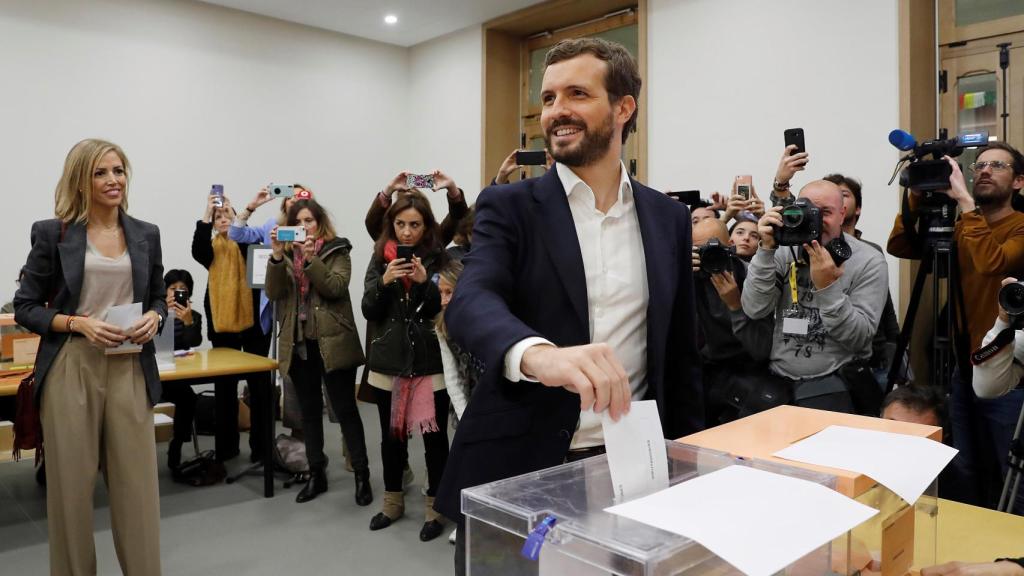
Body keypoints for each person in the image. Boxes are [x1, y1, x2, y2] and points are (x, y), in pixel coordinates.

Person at [435, 38, 703, 574]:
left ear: (623, 108)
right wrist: (537, 354)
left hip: (631, 463)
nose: (556, 111)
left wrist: (689, 459)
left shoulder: (668, 217)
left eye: (577, 94)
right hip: (520, 463)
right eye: (549, 97)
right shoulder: (510, 207)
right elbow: (471, 299)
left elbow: (679, 350)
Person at [14, 138, 164, 575]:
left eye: (118, 170)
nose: (113, 180)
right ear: (81, 180)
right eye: (101, 173)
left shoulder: (145, 234)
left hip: (130, 363)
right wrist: (78, 323)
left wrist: (155, 317)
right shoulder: (53, 232)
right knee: (71, 493)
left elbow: (156, 295)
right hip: (72, 366)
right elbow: (25, 306)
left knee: (138, 489)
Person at [888, 142, 1024, 508]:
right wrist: (916, 198)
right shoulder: (962, 223)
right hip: (963, 366)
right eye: (979, 164)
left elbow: (991, 262)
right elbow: (901, 246)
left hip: (1008, 369)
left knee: (1009, 467)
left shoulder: (1020, 226)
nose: (983, 170)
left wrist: (965, 203)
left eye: (997, 165)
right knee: (962, 465)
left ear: (1018, 182)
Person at [743, 179, 889, 413]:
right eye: (809, 212)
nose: (817, 221)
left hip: (835, 380)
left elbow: (860, 337)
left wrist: (828, 287)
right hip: (779, 377)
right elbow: (754, 308)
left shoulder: (868, 261)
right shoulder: (781, 251)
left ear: (843, 214)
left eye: (826, 213)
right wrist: (765, 250)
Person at [265, 198, 372, 505]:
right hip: (299, 345)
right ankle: (316, 475)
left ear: (319, 223)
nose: (304, 227)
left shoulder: (338, 250)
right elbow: (274, 293)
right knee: (310, 414)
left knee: (345, 410)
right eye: (297, 223)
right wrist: (274, 257)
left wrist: (312, 260)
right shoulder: (284, 256)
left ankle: (362, 475)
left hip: (333, 343)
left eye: (309, 221)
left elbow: (336, 287)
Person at [362, 192, 450, 541]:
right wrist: (385, 282)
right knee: (391, 437)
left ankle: (435, 507)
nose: (407, 232)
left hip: (429, 361)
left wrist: (426, 282)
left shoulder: (439, 258)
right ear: (392, 225)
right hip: (389, 362)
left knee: (435, 439)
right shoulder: (378, 257)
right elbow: (370, 309)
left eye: (415, 224)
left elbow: (438, 309)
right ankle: (392, 502)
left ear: (426, 225)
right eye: (400, 224)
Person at [192, 194, 271, 463]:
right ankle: (226, 448)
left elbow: (264, 275)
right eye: (218, 216)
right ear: (213, 224)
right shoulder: (210, 249)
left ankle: (261, 447)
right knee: (225, 388)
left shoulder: (250, 244)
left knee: (259, 387)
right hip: (222, 325)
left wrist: (240, 225)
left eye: (227, 214)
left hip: (254, 326)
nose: (223, 218)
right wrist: (206, 212)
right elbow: (197, 249)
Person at [232, 186, 313, 438]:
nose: (294, 202)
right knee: (286, 367)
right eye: (289, 198)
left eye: (300, 197)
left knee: (305, 370)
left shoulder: (315, 229)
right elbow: (236, 234)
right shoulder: (271, 227)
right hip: (279, 302)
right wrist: (252, 205)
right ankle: (290, 435)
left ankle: (304, 436)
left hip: (308, 304)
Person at [691, 218, 773, 425]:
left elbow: (761, 349)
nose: (708, 256)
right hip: (704, 371)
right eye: (700, 250)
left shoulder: (750, 276)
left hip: (748, 369)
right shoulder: (686, 277)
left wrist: (736, 305)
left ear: (730, 247)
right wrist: (678, 272)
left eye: (715, 248)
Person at [823, 172, 901, 387]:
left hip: (871, 355)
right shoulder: (814, 251)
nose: (837, 198)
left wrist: (894, 346)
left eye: (844, 194)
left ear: (856, 208)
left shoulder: (870, 254)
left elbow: (885, 306)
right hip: (829, 352)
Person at [160, 268, 203, 470]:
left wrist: (187, 322)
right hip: (154, 377)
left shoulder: (193, 315)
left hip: (177, 377)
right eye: (172, 288)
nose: (176, 292)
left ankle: (177, 443)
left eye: (182, 289)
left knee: (188, 399)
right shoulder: (153, 313)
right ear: (164, 290)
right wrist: (163, 316)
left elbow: (194, 342)